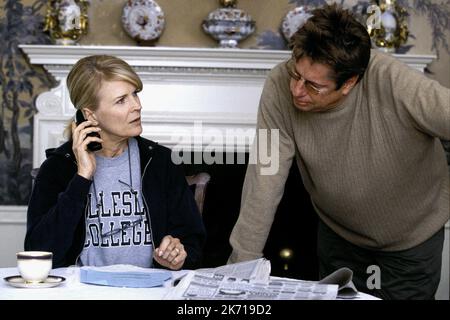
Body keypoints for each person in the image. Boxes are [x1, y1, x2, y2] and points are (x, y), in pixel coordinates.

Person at [228, 4, 449, 299]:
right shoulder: (280, 85)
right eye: (296, 74)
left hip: (412, 241)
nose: (296, 90)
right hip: (340, 237)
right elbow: (264, 176)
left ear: (349, 83)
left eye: (314, 86)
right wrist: (239, 269)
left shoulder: (394, 81)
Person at [25, 55, 206, 270]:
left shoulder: (161, 162)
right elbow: (39, 253)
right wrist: (82, 177)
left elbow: (193, 244)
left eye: (135, 95)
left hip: (150, 291)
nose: (136, 106)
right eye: (121, 100)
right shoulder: (58, 168)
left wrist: (178, 255)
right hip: (82, 293)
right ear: (90, 115)